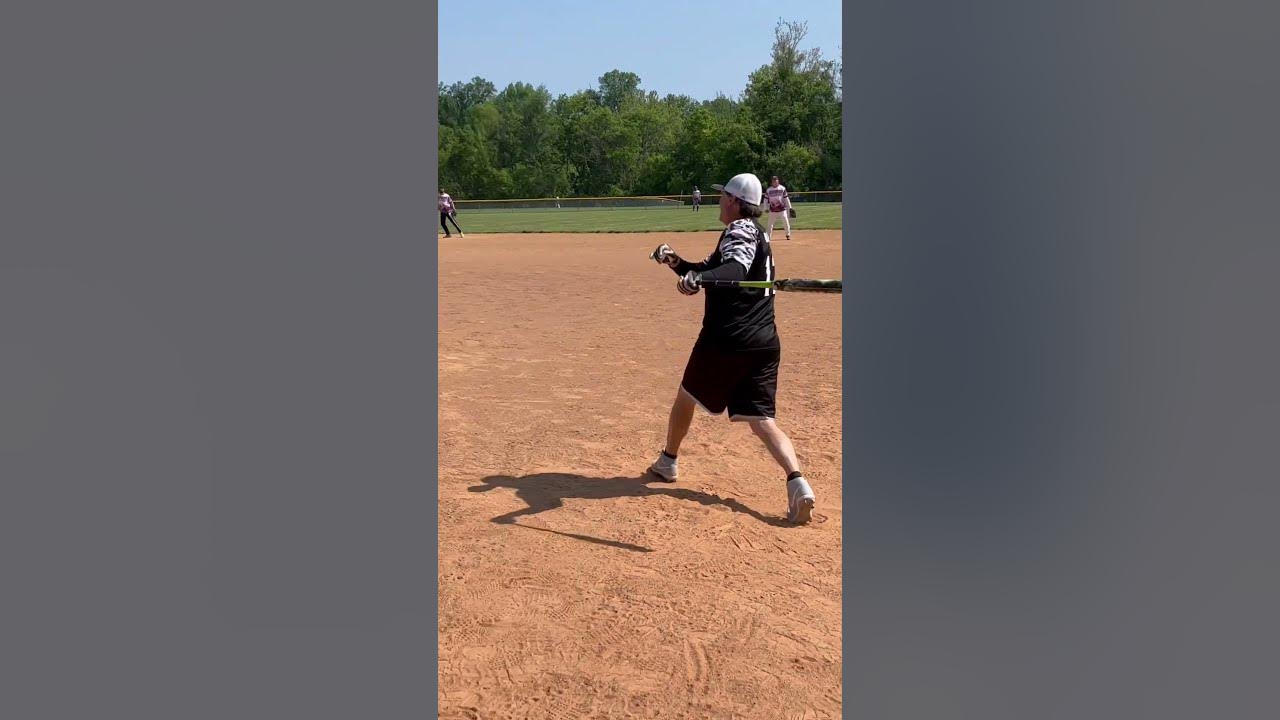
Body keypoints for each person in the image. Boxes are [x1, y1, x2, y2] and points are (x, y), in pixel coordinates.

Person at [646, 172, 816, 524]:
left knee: (685, 397)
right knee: (763, 420)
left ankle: (668, 461)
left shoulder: (740, 230)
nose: (719, 201)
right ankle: (798, 482)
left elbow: (734, 268)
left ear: (735, 202)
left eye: (723, 196)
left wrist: (701, 280)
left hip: (727, 339)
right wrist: (675, 262)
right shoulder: (755, 234)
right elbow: (709, 271)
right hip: (764, 341)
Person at [764, 176, 793, 240]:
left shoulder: (782, 188)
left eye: (776, 181)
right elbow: (765, 200)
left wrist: (790, 207)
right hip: (772, 210)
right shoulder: (768, 190)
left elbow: (786, 198)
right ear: (771, 182)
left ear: (778, 181)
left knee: (786, 222)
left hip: (782, 209)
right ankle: (768, 237)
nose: (774, 182)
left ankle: (788, 234)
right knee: (769, 224)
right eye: (773, 181)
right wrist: (765, 208)